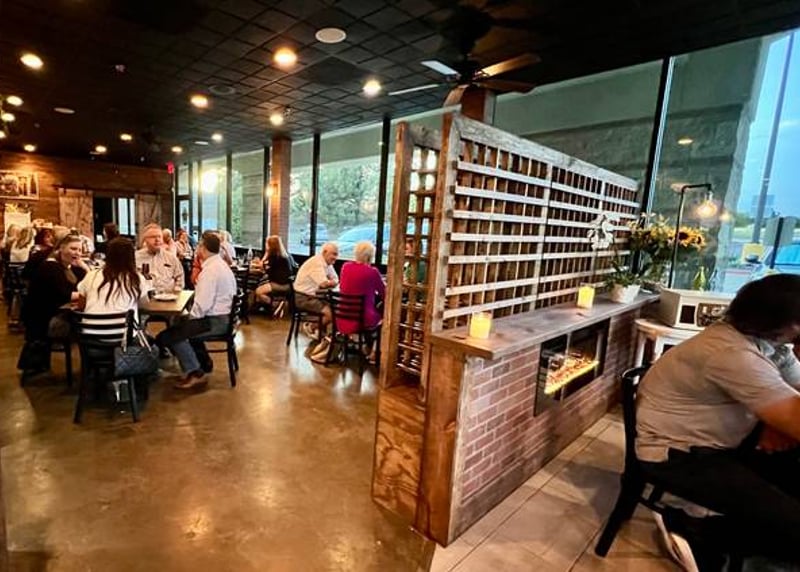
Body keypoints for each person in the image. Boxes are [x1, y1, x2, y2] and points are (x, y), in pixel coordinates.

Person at [636, 274, 800, 565]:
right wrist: (778, 419)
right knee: (790, 523)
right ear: (781, 322)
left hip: (721, 441)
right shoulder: (732, 352)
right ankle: (694, 530)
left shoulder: (767, 345)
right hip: (680, 454)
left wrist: (773, 420)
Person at [156, 231, 236, 389]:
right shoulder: (221, 266)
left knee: (170, 336)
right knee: (179, 324)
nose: (197, 247)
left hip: (215, 322)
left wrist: (188, 320)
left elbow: (201, 307)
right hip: (224, 319)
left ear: (203, 248)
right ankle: (203, 364)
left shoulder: (210, 271)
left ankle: (195, 373)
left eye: (199, 245)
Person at [18, 234, 88, 377]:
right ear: (61, 248)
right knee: (86, 330)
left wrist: (84, 267)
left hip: (52, 313)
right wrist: (89, 296)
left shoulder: (67, 266)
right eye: (73, 249)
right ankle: (90, 369)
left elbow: (86, 284)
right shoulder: (51, 266)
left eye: (80, 250)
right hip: (43, 319)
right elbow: (67, 294)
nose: (77, 253)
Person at [76, 237, 148, 330]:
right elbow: (144, 304)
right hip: (123, 335)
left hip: (89, 332)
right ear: (131, 257)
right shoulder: (136, 279)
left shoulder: (91, 275)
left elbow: (81, 305)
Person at [338, 241, 385, 362]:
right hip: (363, 318)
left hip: (342, 315)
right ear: (370, 257)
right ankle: (374, 352)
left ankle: (359, 341)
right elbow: (384, 294)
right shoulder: (372, 272)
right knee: (385, 321)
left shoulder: (345, 267)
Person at [294, 242, 339, 356]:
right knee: (331, 314)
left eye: (337, 254)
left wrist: (330, 282)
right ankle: (311, 327)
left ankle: (325, 337)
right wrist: (330, 282)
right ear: (324, 252)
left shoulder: (327, 263)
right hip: (303, 297)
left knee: (334, 309)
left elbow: (335, 278)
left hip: (314, 296)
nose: (336, 257)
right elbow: (323, 284)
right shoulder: (317, 263)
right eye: (333, 254)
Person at [135, 223, 184, 292]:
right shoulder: (136, 257)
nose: (157, 239)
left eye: (159, 236)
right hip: (145, 296)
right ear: (145, 239)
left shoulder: (171, 258)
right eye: (153, 237)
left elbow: (180, 275)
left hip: (168, 296)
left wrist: (176, 291)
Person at [253, 235, 297, 306]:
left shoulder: (275, 257)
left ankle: (276, 305)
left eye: (267, 244)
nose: (266, 245)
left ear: (271, 246)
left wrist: (266, 253)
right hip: (289, 284)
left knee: (258, 292)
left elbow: (265, 268)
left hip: (281, 284)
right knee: (259, 293)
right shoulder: (287, 255)